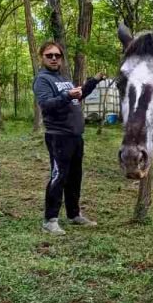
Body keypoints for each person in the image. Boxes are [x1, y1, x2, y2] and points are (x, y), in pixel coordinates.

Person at [33, 41, 105, 236]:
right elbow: (46, 105)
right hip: (58, 137)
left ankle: (74, 214)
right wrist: (66, 95)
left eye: (57, 55)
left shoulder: (63, 78)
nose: (54, 58)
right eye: (50, 55)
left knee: (75, 177)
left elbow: (77, 96)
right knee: (59, 176)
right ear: (42, 58)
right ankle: (50, 220)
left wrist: (94, 81)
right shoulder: (42, 80)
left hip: (75, 137)